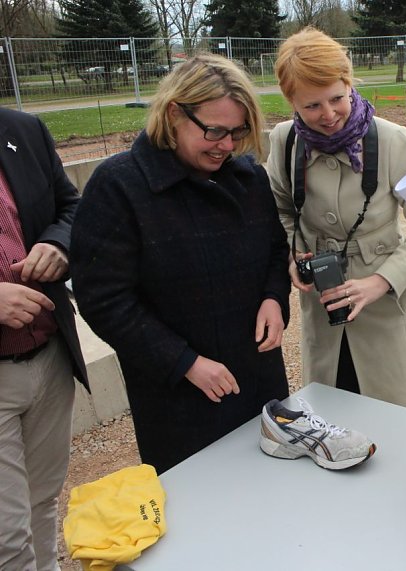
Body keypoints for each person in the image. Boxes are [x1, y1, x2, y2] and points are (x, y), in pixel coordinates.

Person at [70, 54, 291, 474]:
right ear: (174, 113)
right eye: (215, 131)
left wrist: (273, 298)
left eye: (238, 132)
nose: (227, 145)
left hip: (258, 374)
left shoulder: (247, 177)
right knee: (199, 499)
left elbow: (276, 250)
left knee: (274, 485)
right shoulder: (119, 186)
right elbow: (103, 298)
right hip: (178, 397)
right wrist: (184, 362)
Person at [267, 28, 406, 411]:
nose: (328, 115)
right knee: (332, 417)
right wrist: (294, 256)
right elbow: (279, 211)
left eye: (336, 98)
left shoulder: (392, 140)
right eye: (311, 106)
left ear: (349, 83)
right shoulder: (285, 142)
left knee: (395, 420)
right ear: (290, 101)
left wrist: (382, 280)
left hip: (383, 307)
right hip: (322, 305)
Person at [0, 108, 89, 571]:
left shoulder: (22, 130)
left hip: (49, 357)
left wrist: (58, 244)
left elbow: (71, 208)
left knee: (42, 501)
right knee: (6, 535)